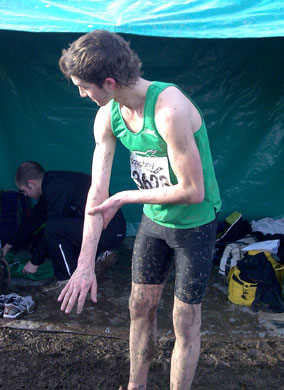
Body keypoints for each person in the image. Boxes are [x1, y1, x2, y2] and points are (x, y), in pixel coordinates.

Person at [58, 30, 221, 390]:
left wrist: (125, 197)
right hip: (155, 222)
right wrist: (85, 264)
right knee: (139, 306)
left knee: (184, 319)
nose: (82, 94)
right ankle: (136, 386)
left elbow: (194, 191)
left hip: (194, 225)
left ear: (110, 82)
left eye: (84, 87)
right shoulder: (108, 117)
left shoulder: (169, 108)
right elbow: (96, 197)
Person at [2, 161, 126, 290]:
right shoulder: (51, 184)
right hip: (101, 229)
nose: (25, 195)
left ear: (31, 183)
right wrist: (9, 244)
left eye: (24, 190)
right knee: (50, 233)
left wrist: (35, 262)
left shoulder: (56, 188)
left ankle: (67, 280)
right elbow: (34, 220)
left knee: (53, 230)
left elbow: (53, 226)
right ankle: (98, 260)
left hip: (110, 232)